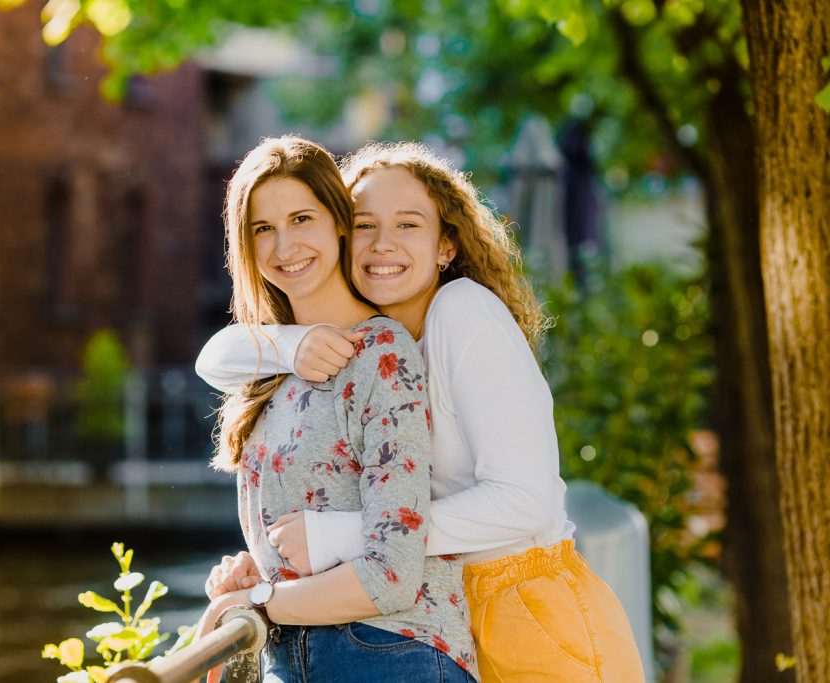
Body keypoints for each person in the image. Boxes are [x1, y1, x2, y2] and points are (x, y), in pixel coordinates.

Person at [197, 141, 646, 682]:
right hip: (454, 611)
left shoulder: (462, 312)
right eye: (365, 225)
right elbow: (215, 358)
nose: (382, 244)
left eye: (408, 225)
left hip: (526, 611)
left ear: (446, 246)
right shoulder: (375, 342)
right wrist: (290, 343)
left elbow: (523, 500)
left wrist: (339, 538)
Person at [196, 136, 478, 683]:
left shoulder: (381, 354)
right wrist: (260, 567)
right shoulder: (272, 365)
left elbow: (392, 571)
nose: (284, 246)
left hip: (393, 651)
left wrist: (258, 598)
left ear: (339, 223)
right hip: (295, 653)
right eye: (262, 228)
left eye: (302, 218)